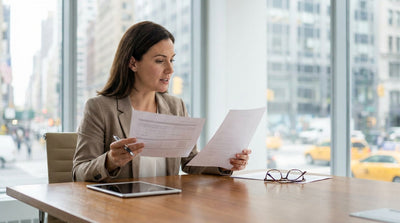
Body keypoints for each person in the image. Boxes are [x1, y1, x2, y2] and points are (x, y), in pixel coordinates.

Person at [72, 21, 251, 182]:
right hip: (122, 210)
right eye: (160, 61)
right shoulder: (99, 108)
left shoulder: (175, 106)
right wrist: (110, 160)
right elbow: (79, 172)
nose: (170, 69)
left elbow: (189, 162)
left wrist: (224, 164)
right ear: (133, 63)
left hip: (166, 206)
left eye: (171, 60)